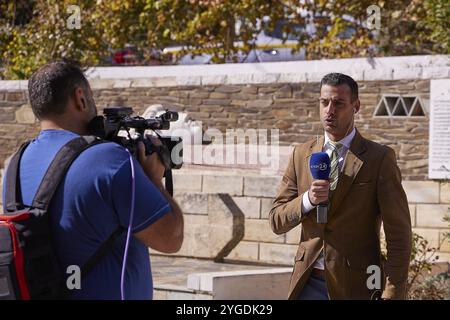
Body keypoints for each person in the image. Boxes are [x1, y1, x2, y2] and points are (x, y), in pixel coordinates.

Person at [2, 61, 184, 299]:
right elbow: (171, 238)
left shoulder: (14, 164)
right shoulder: (109, 160)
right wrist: (154, 179)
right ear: (80, 98)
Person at [269, 73, 412, 300]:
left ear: (356, 106)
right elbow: (276, 220)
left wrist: (392, 292)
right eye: (324, 102)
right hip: (307, 281)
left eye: (338, 103)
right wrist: (308, 200)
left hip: (358, 284)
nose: (329, 110)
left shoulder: (379, 158)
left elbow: (399, 234)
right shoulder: (301, 154)